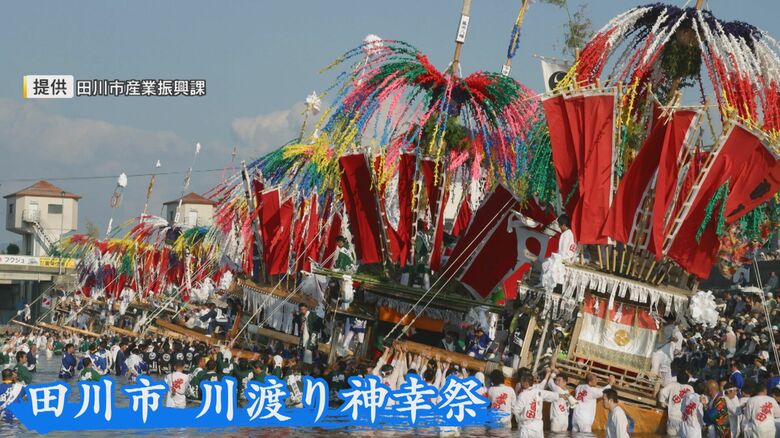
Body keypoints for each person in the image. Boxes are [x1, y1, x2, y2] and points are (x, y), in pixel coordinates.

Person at [512, 370, 561, 437]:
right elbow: (552, 395)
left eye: (522, 381)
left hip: (526, 426)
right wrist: (562, 395)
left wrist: (519, 420)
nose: (521, 383)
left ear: (525, 383)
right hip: (538, 427)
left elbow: (515, 410)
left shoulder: (523, 394)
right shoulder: (539, 391)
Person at [294, 303, 323, 371]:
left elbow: (319, 322)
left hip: (311, 336)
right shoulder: (301, 316)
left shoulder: (312, 315)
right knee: (302, 351)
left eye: (303, 309)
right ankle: (303, 368)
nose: (302, 311)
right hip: (304, 336)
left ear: (306, 308)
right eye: (301, 309)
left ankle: (307, 370)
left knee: (309, 352)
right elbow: (297, 320)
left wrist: (315, 331)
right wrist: (294, 315)